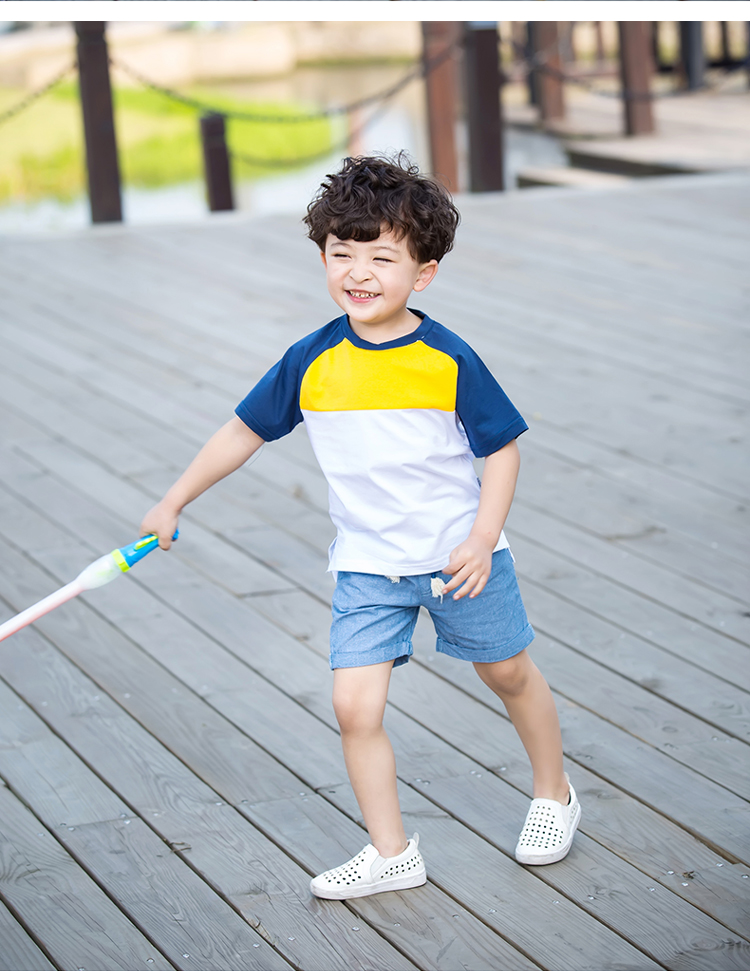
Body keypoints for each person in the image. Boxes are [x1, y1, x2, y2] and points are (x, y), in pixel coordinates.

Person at [140, 154, 580, 900]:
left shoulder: (447, 358)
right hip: (369, 565)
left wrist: (481, 535)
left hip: (459, 558)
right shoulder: (312, 360)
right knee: (354, 705)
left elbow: (501, 449)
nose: (359, 272)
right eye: (342, 255)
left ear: (424, 273)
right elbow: (242, 432)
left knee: (507, 672)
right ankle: (391, 849)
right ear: (322, 258)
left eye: (382, 256)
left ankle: (555, 791)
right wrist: (174, 498)